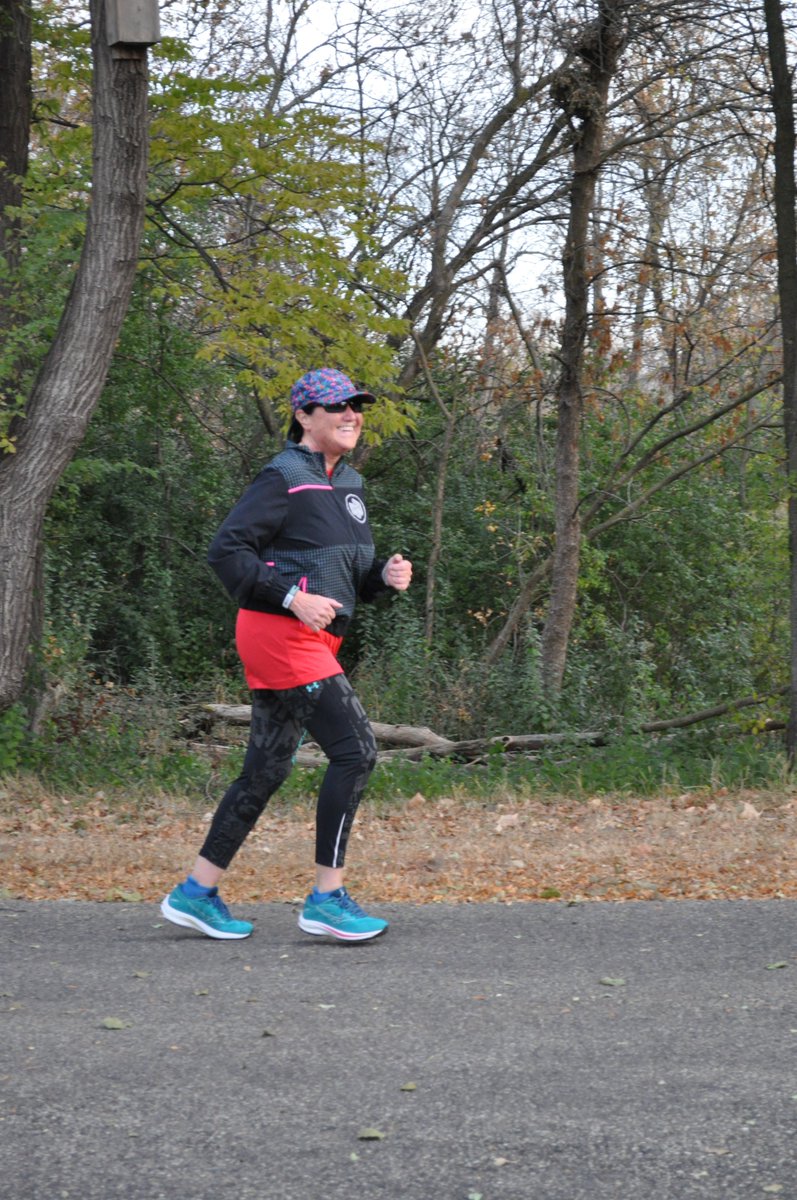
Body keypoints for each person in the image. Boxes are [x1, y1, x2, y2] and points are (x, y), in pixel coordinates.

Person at [161, 368, 412, 942]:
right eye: (338, 407)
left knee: (267, 768)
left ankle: (196, 892)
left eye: (357, 406)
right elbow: (226, 551)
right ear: (304, 416)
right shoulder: (282, 477)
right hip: (278, 631)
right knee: (357, 751)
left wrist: (382, 578)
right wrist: (292, 598)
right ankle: (327, 898)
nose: (352, 415)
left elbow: (345, 579)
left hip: (314, 636)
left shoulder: (350, 485)